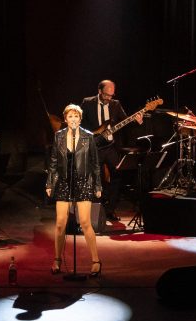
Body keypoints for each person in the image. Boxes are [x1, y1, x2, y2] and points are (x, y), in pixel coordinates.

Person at [47, 104, 102, 276]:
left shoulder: (88, 137)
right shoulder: (59, 136)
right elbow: (54, 162)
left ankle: (96, 261)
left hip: (84, 181)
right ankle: (57, 259)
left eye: (76, 116)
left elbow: (95, 164)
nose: (73, 119)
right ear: (65, 119)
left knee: (85, 223)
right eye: (70, 116)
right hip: (64, 182)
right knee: (60, 223)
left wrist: (98, 185)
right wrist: (49, 183)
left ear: (80, 119)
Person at [80, 79, 142, 222]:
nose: (109, 98)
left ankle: (110, 210)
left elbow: (126, 121)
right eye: (106, 95)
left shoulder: (116, 104)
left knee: (118, 175)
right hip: (94, 147)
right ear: (99, 91)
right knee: (97, 179)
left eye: (111, 95)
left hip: (110, 147)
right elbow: (80, 124)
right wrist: (92, 136)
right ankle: (98, 212)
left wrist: (137, 120)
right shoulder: (87, 102)